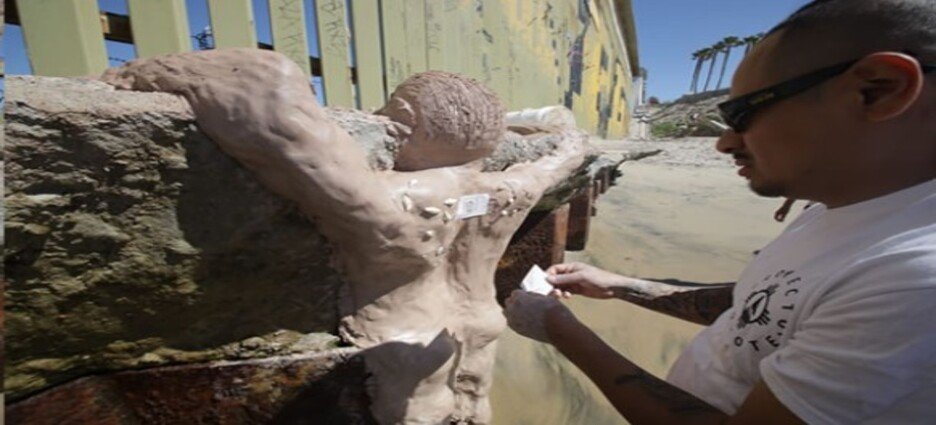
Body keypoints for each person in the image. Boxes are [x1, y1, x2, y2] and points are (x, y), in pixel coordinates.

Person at [504, 0, 936, 423]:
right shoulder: (848, 202)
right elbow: (764, 305)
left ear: (877, 90)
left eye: (743, 114)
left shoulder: (915, 281)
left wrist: (564, 331)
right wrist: (621, 284)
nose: (725, 143)